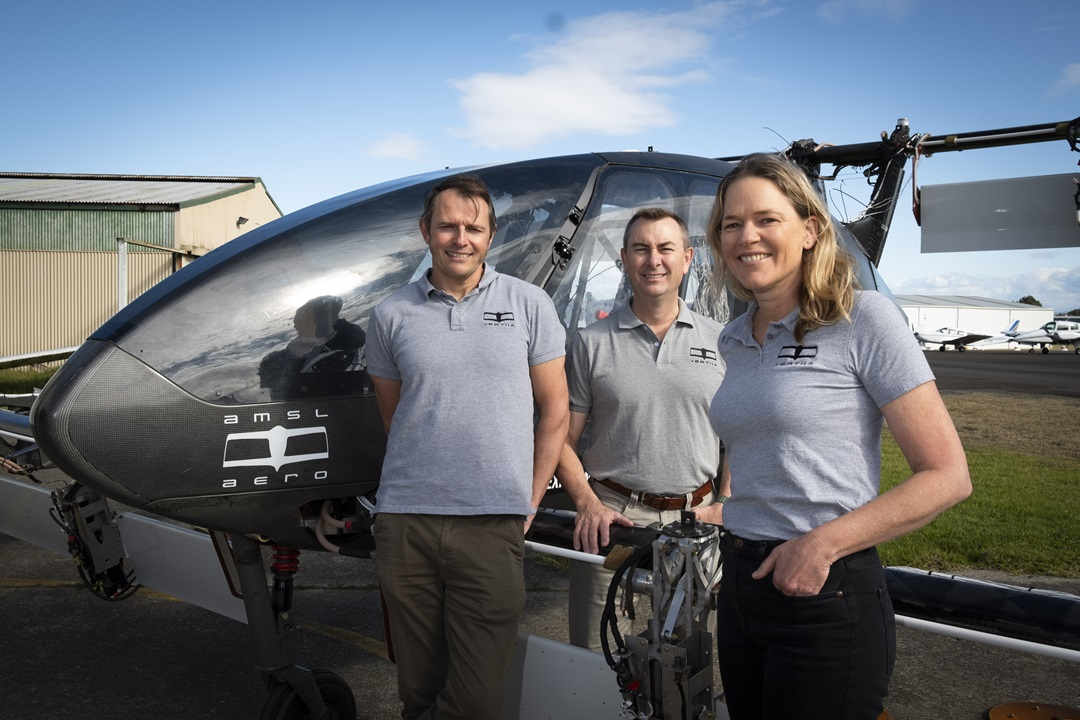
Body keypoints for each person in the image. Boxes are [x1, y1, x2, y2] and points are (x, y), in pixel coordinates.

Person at [704, 153, 972, 719]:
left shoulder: (862, 318)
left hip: (827, 590)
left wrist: (821, 544)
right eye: (731, 224)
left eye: (765, 220)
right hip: (743, 586)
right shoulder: (733, 338)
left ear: (810, 230)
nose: (745, 236)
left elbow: (948, 476)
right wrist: (729, 509)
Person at [366, 174, 569, 720]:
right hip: (406, 521)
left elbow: (554, 412)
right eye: (448, 226)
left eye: (473, 228)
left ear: (491, 234)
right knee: (418, 689)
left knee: (477, 697)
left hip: (491, 521)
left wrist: (527, 500)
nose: (461, 238)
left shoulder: (529, 305)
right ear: (425, 231)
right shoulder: (390, 315)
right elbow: (397, 416)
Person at [556, 207, 726, 651]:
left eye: (666, 248)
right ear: (623, 261)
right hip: (613, 520)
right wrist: (586, 503)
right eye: (641, 249)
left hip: (698, 522)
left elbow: (739, 439)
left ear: (687, 258)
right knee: (597, 657)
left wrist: (728, 503)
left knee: (688, 661)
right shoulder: (589, 343)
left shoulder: (724, 341)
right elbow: (561, 438)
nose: (654, 260)